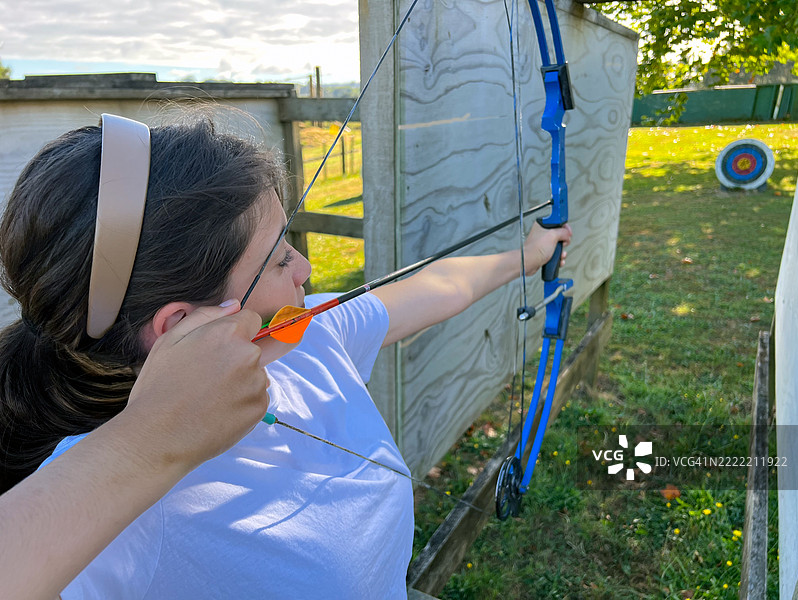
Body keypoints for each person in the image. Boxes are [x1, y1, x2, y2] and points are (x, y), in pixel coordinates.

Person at [0, 113, 571, 599]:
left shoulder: (298, 339)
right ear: (182, 326)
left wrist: (527, 256)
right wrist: (150, 441)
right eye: (277, 260)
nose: (306, 268)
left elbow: (438, 287)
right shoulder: (108, 502)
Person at [0, 300, 287, 600]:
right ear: (178, 323)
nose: (302, 275)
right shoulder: (134, 531)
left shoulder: (294, 340)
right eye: (279, 270)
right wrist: (156, 428)